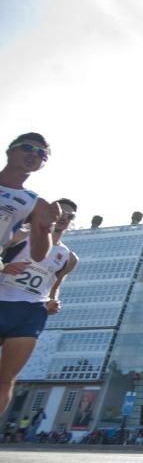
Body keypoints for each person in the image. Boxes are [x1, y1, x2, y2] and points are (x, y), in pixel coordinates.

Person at [0, 133, 61, 414]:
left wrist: (45, 227)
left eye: (41, 154)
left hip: (25, 308)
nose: (33, 154)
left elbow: (38, 254)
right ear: (10, 150)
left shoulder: (34, 202)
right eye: (27, 148)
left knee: (5, 380)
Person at [0, 200, 78, 415]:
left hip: (31, 312)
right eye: (59, 212)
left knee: (6, 379)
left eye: (69, 216)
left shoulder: (69, 258)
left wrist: (53, 301)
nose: (63, 217)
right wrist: (5, 268)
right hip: (2, 301)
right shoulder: (18, 236)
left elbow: (55, 286)